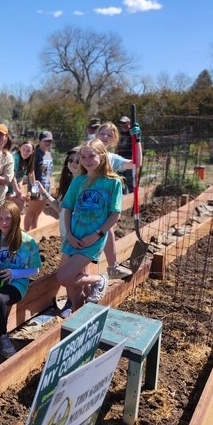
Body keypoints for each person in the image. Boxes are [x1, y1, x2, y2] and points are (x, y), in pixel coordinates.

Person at [56, 139, 123, 318]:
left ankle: (100, 279)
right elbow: (68, 207)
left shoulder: (112, 183)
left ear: (102, 156)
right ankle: (78, 315)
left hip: (92, 240)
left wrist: (97, 235)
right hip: (74, 236)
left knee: (64, 277)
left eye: (91, 156)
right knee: (73, 284)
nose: (87, 160)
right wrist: (69, 234)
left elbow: (115, 214)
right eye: (83, 157)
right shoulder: (79, 181)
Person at [0, 200, 42, 369]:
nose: (4, 223)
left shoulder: (27, 242)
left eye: (8, 219)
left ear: (16, 220)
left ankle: (3, 337)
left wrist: (15, 273)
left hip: (17, 282)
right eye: (0, 219)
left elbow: (35, 269)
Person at [96, 121, 143, 280]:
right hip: (85, 202)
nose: (105, 137)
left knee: (108, 230)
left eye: (110, 135)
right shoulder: (85, 151)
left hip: (104, 204)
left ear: (114, 139)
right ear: (97, 134)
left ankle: (112, 266)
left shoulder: (112, 159)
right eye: (103, 133)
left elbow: (136, 163)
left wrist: (137, 141)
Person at [38, 147, 81, 240]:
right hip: (65, 230)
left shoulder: (85, 184)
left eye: (78, 161)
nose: (73, 163)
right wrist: (43, 192)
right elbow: (59, 208)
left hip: (77, 233)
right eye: (71, 160)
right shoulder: (67, 182)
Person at [24, 131, 54, 231]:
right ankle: (27, 235)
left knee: (37, 214)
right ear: (40, 141)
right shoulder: (35, 153)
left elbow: (49, 173)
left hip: (46, 189)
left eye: (50, 141)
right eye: (45, 141)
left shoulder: (48, 154)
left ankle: (34, 234)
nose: (48, 143)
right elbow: (31, 172)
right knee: (31, 213)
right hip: (36, 190)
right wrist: (35, 189)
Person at [8, 141, 34, 212]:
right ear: (19, 149)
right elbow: (12, 176)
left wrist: (20, 192)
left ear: (32, 152)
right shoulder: (15, 158)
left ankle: (16, 220)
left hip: (13, 188)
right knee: (19, 202)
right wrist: (17, 191)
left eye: (28, 151)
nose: (25, 152)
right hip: (5, 188)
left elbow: (20, 178)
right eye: (24, 149)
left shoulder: (27, 161)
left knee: (21, 202)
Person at [116, 116, 134, 192]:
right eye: (121, 123)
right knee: (121, 178)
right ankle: (123, 195)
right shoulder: (119, 134)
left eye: (124, 122)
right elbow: (117, 145)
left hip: (129, 158)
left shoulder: (132, 133)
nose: (122, 124)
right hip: (120, 158)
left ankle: (132, 196)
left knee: (129, 179)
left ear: (129, 123)